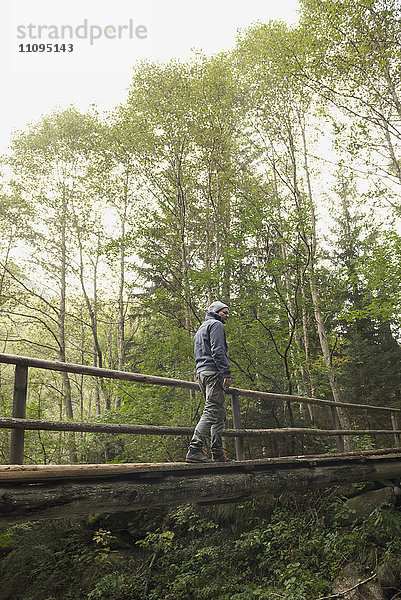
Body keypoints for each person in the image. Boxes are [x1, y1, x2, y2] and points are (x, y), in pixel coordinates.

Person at [185, 301, 232, 463]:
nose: (227, 315)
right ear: (216, 312)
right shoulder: (216, 325)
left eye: (228, 313)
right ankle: (195, 449)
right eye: (224, 312)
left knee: (219, 414)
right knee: (212, 411)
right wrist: (226, 372)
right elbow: (218, 350)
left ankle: (218, 453)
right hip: (213, 373)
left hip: (202, 374)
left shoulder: (201, 328)